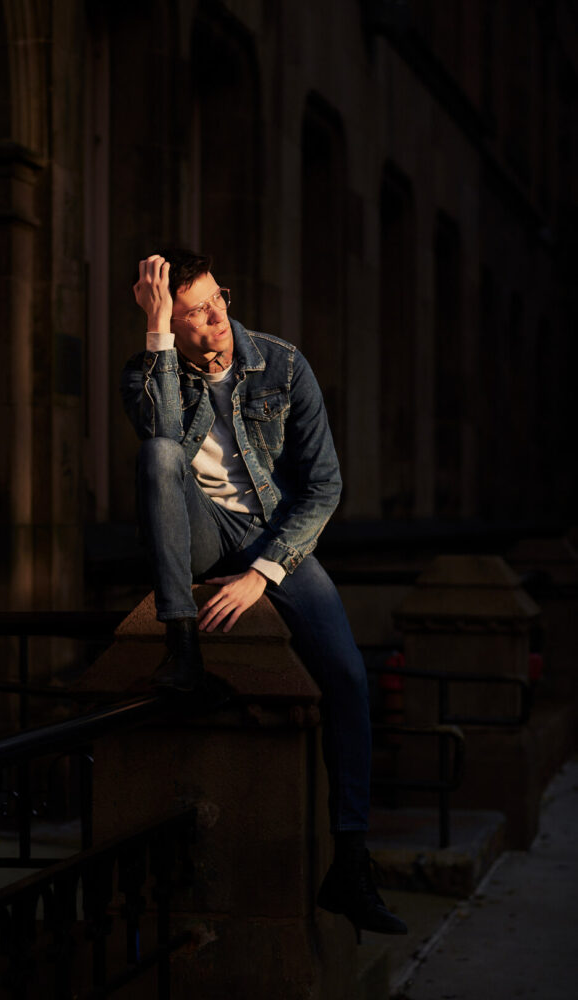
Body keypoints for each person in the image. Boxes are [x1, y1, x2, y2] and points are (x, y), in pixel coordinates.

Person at [120, 249, 407, 940]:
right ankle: (182, 649)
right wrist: (157, 333)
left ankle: (349, 863)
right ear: (171, 319)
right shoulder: (146, 369)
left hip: (275, 538)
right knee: (159, 454)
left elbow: (323, 487)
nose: (215, 318)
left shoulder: (280, 364)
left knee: (345, 675)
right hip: (200, 533)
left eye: (217, 300)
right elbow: (160, 440)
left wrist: (262, 573)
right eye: (193, 311)